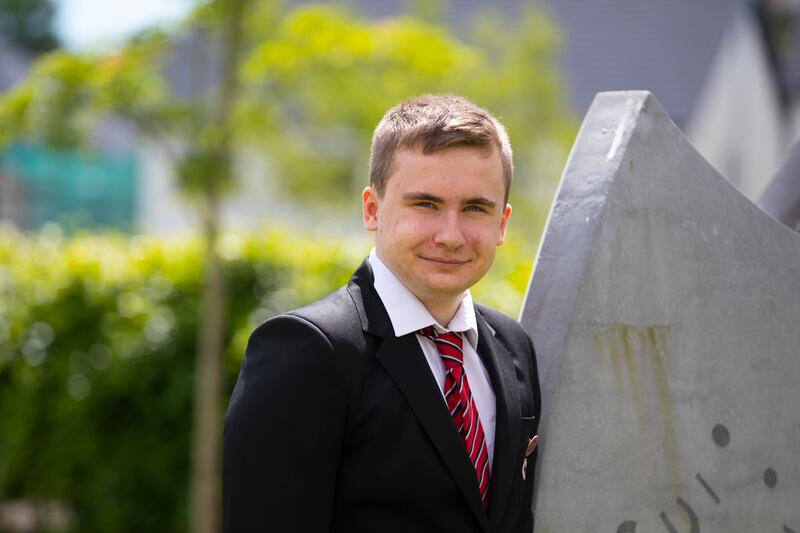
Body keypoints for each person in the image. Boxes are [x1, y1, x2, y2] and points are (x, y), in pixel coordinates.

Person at [223, 94, 541, 533]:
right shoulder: (308, 351)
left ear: (502, 223)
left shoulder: (513, 346)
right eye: (425, 204)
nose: (451, 235)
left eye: (474, 208)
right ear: (372, 209)